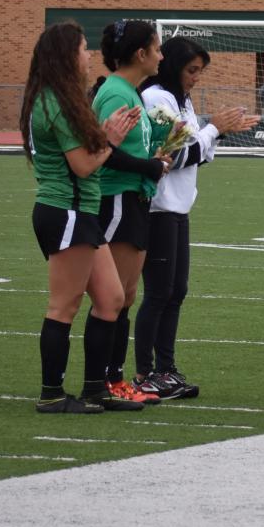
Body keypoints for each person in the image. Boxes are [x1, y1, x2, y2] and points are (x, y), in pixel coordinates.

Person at [19, 21, 140, 413]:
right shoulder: (54, 100)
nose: (88, 56)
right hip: (65, 210)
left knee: (111, 299)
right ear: (65, 55)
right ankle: (52, 394)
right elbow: (84, 166)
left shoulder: (60, 97)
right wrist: (111, 139)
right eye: (83, 48)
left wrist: (105, 137)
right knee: (64, 305)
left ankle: (94, 389)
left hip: (80, 211)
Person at [133, 37, 260, 401]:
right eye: (192, 71)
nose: (196, 78)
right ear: (173, 66)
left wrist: (218, 131)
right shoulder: (157, 98)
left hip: (178, 208)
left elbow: (195, 154)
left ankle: (166, 370)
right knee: (158, 293)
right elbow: (174, 155)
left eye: (200, 72)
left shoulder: (180, 100)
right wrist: (214, 129)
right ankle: (145, 374)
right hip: (158, 208)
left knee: (176, 292)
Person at [93, 20, 169, 407]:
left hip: (135, 198)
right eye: (157, 48)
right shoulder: (115, 93)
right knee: (114, 296)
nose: (161, 55)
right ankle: (108, 380)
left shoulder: (132, 93)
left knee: (126, 295)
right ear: (140, 54)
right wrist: (148, 168)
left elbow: (131, 148)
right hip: (118, 198)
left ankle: (115, 379)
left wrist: (159, 153)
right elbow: (104, 153)